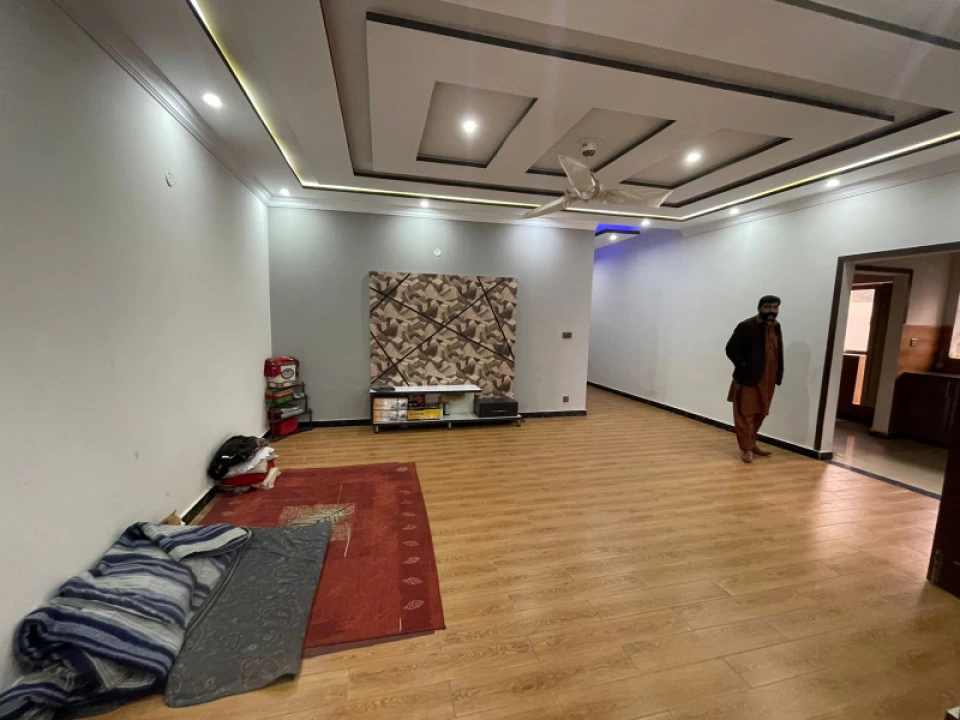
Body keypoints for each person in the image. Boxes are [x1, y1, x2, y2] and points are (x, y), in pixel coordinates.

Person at [725, 295, 784, 463]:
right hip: (748, 379)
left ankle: (751, 443)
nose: (771, 311)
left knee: (761, 413)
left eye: (775, 307)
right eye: (767, 307)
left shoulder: (776, 326)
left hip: (768, 380)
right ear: (760, 308)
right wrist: (744, 367)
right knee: (745, 415)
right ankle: (746, 449)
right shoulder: (747, 326)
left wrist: (778, 373)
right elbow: (731, 349)